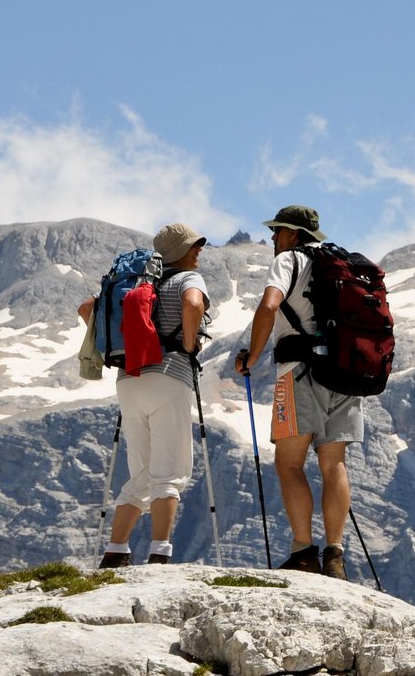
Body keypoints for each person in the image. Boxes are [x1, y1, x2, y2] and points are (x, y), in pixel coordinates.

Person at [234, 205, 361, 578]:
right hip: (343, 375)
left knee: (289, 463)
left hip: (297, 373)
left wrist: (253, 356)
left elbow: (269, 306)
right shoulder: (342, 264)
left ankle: (304, 551)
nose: (273, 238)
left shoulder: (288, 260)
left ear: (292, 234)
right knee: (333, 463)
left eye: (277, 231)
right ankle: (335, 556)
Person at [78, 223, 211, 567]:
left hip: (129, 380)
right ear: (178, 252)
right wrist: (187, 343)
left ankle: (116, 551)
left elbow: (86, 308)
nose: (198, 250)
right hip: (170, 377)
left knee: (140, 473)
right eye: (193, 246)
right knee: (169, 473)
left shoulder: (135, 283)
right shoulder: (187, 279)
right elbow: (193, 304)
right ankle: (160, 552)